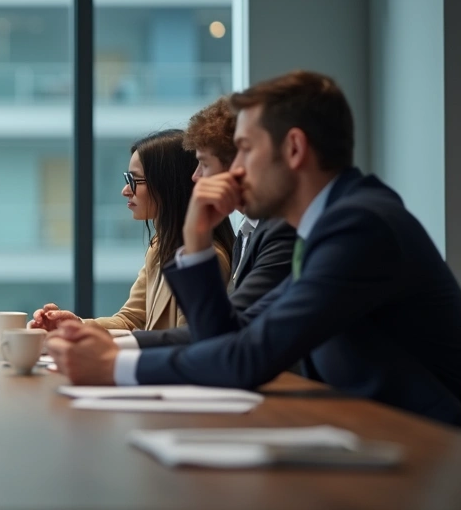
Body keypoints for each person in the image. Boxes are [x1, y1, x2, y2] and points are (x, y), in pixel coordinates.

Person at [46, 71, 461, 426]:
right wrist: (196, 241)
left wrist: (114, 366)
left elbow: (249, 358)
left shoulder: (359, 226)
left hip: (428, 448)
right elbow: (232, 336)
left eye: (244, 148)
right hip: (372, 432)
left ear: (294, 149)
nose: (235, 168)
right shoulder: (326, 225)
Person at [83, 98, 296, 348]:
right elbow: (135, 319)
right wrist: (74, 327)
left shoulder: (263, 237)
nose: (195, 177)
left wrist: (112, 356)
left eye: (204, 164)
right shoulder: (245, 233)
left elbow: (215, 335)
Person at [32, 130, 234, 333]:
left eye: (135, 180)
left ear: (167, 184)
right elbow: (131, 319)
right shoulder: (160, 246)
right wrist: (74, 324)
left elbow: (188, 343)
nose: (126, 190)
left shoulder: (205, 259)